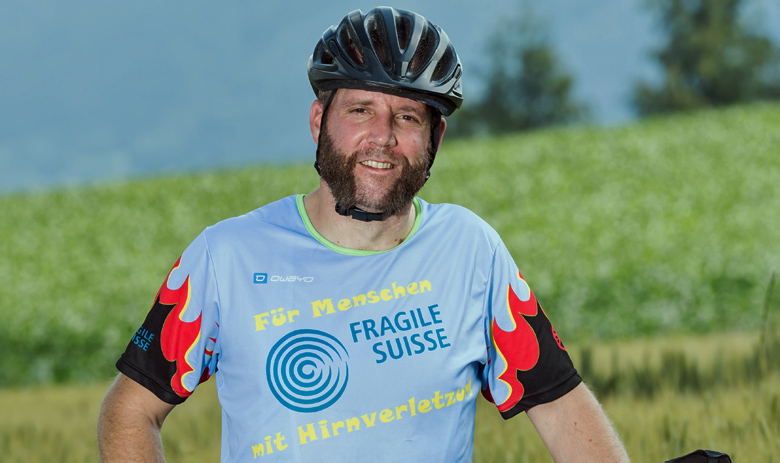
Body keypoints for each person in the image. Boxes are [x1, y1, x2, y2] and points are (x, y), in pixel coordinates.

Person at [97, 6, 630, 462]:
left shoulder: (472, 252)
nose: (383, 137)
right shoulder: (225, 256)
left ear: (435, 137)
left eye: (408, 117)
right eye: (360, 110)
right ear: (318, 121)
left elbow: (560, 407)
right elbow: (130, 410)